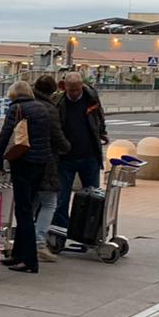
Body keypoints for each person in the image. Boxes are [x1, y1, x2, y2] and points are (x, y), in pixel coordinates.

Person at [0, 80, 57, 274]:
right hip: (41, 164)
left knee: (24, 212)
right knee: (26, 209)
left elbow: (5, 136)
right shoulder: (42, 108)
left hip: (23, 163)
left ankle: (29, 261)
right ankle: (18, 255)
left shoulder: (17, 108)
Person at [50, 72, 110, 245]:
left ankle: (88, 236)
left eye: (77, 89)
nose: (74, 93)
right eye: (71, 90)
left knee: (92, 198)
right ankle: (60, 235)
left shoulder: (91, 97)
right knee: (62, 199)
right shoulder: (59, 102)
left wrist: (102, 132)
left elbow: (99, 116)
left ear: (82, 86)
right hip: (65, 158)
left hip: (89, 156)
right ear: (65, 87)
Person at [32, 76, 70, 262]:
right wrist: (67, 147)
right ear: (53, 91)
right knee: (49, 203)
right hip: (46, 163)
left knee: (31, 204)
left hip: (26, 163)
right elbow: (58, 138)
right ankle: (39, 243)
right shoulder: (49, 109)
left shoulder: (27, 105)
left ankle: (24, 240)